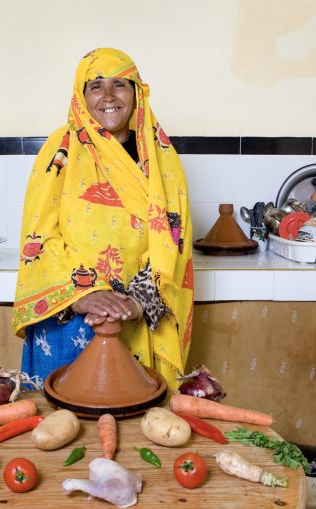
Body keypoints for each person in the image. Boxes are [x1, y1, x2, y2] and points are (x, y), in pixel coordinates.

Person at [13, 48, 194, 392]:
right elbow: (39, 235)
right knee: (60, 415)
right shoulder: (61, 148)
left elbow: (174, 236)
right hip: (67, 320)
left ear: (136, 93)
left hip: (135, 319)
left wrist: (137, 301)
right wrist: (80, 296)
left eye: (119, 84)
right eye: (96, 86)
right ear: (81, 96)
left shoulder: (160, 157)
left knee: (136, 414)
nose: (108, 96)